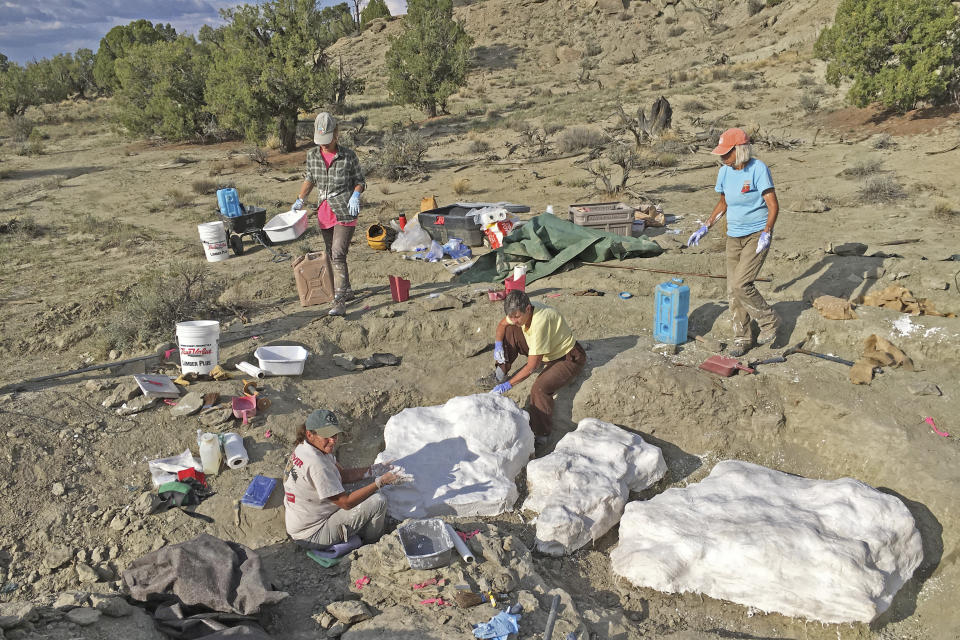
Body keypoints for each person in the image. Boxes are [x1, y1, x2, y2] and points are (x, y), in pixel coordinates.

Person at [687, 127, 780, 357]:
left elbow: (773, 205)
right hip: (734, 236)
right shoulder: (725, 173)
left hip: (756, 235)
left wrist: (767, 232)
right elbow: (723, 204)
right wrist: (706, 226)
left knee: (741, 284)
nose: (722, 158)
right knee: (732, 291)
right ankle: (743, 337)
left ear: (740, 150)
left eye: (726, 154)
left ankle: (770, 321)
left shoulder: (758, 169)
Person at [283, 409, 404, 549]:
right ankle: (372, 545)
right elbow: (345, 503)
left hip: (303, 518)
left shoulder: (307, 447)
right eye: (327, 436)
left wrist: (374, 470)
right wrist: (380, 482)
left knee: (367, 486)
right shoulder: (317, 464)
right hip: (313, 534)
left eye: (334, 435)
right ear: (310, 434)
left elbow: (343, 476)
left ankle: (363, 529)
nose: (333, 440)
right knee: (378, 501)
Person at [488, 290, 586, 446]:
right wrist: (499, 344)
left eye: (517, 317)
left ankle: (541, 435)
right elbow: (502, 324)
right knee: (511, 330)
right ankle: (499, 373)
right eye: (511, 316)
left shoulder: (540, 321)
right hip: (548, 350)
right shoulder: (519, 313)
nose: (514, 319)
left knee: (540, 389)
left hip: (567, 357)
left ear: (528, 308)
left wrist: (508, 385)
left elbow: (532, 367)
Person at [292, 112, 366, 317]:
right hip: (324, 212)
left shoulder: (348, 156)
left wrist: (356, 196)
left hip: (345, 210)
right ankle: (347, 289)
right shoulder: (312, 156)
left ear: (336, 135)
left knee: (338, 254)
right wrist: (300, 199)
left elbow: (360, 180)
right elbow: (310, 178)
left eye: (327, 141)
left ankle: (339, 300)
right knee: (332, 255)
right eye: (320, 141)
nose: (323, 146)